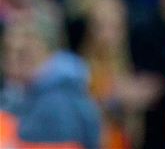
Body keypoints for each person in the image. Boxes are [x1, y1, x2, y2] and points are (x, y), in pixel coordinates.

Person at [0, 11, 101, 149]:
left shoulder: (58, 101)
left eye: (24, 53)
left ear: (48, 52)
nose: (13, 61)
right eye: (8, 51)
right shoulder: (16, 94)